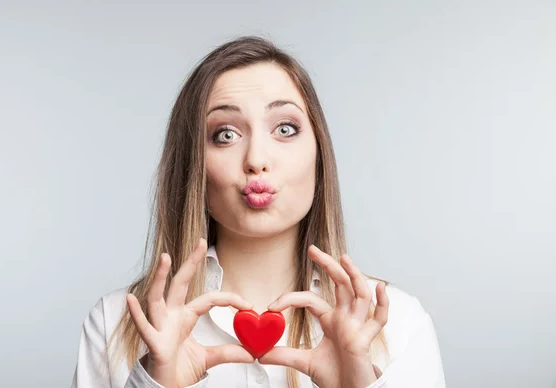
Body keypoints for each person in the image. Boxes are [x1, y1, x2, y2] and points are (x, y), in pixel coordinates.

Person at [71, 35, 446, 388]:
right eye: (226, 135)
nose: (256, 160)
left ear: (319, 155)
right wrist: (159, 379)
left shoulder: (398, 323)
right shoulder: (116, 322)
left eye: (284, 128)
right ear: (193, 165)